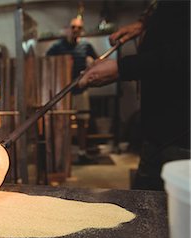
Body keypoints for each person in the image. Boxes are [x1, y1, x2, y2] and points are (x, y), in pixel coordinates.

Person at [78, 0, 190, 191]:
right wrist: (146, 25)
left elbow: (183, 55)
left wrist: (122, 68)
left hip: (180, 135)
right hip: (159, 131)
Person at [46, 17, 98, 164]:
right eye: (72, 27)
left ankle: (82, 153)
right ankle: (64, 155)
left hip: (81, 89)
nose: (75, 30)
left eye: (78, 28)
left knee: (82, 122)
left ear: (81, 30)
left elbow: (98, 60)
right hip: (64, 91)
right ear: (67, 28)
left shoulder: (86, 45)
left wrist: (88, 74)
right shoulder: (57, 47)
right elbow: (47, 62)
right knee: (63, 123)